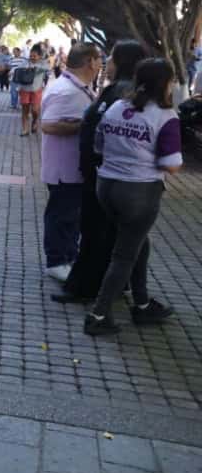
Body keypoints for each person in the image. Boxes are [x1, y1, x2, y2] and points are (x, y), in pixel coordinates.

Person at [85, 59, 182, 336]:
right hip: (139, 191)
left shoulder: (117, 107)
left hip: (107, 186)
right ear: (165, 83)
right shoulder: (165, 117)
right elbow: (171, 164)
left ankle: (142, 304)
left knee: (137, 241)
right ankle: (99, 315)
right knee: (124, 254)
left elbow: (99, 144)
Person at [58, 40, 144, 303]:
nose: (108, 64)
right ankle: (99, 286)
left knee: (99, 233)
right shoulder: (117, 90)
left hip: (106, 174)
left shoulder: (124, 92)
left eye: (112, 59)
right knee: (99, 232)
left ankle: (90, 289)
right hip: (99, 173)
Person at [39, 43, 103, 283]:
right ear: (89, 61)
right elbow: (48, 124)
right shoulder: (67, 91)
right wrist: (86, 125)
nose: (100, 64)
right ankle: (56, 261)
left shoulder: (78, 88)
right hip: (63, 168)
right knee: (61, 214)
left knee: (70, 216)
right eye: (99, 59)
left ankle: (67, 256)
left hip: (73, 168)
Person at [15, 43, 52, 136]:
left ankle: (35, 121)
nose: (32, 57)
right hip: (24, 89)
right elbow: (18, 69)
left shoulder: (43, 63)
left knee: (35, 110)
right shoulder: (25, 62)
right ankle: (25, 129)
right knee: (25, 109)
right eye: (31, 56)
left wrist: (36, 67)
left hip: (36, 89)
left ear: (39, 56)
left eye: (34, 56)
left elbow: (48, 69)